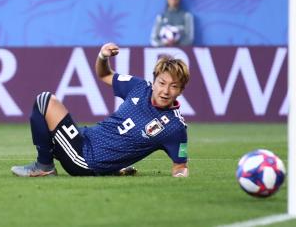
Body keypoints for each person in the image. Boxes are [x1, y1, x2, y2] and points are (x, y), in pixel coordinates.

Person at [11, 43, 189, 178]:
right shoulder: (140, 87)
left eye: (174, 86)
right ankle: (113, 168)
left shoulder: (175, 127)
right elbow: (104, 74)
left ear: (181, 90)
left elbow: (180, 166)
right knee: (47, 127)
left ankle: (44, 167)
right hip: (84, 139)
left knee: (45, 100)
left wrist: (180, 177)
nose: (165, 91)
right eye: (162, 83)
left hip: (86, 159)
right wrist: (103, 57)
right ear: (155, 80)